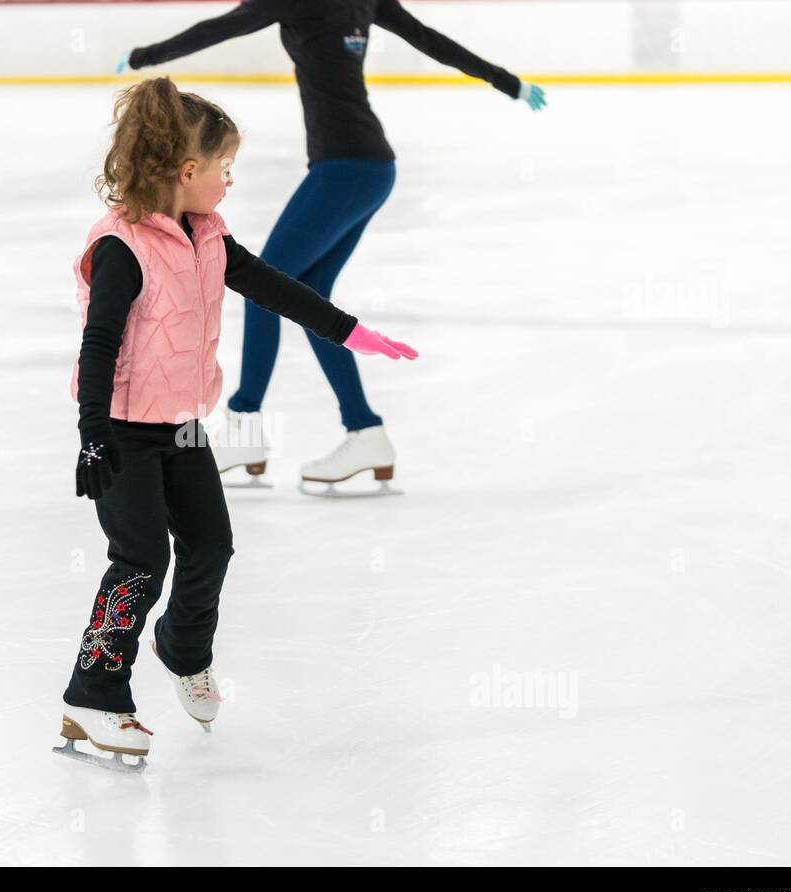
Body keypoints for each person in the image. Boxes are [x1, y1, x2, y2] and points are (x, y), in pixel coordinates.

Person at [55, 77, 418, 772]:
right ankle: (93, 694)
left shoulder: (209, 236)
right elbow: (98, 343)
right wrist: (93, 432)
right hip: (124, 430)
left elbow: (275, 288)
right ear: (186, 172)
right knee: (140, 560)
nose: (230, 180)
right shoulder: (121, 249)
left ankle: (183, 648)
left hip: (183, 425)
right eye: (224, 168)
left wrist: (352, 334)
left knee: (211, 544)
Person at [120, 0, 544, 491]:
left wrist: (143, 57)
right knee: (307, 293)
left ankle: (244, 424)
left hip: (344, 169)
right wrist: (507, 81)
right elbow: (430, 40)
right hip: (371, 168)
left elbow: (222, 27)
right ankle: (364, 430)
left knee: (266, 285)